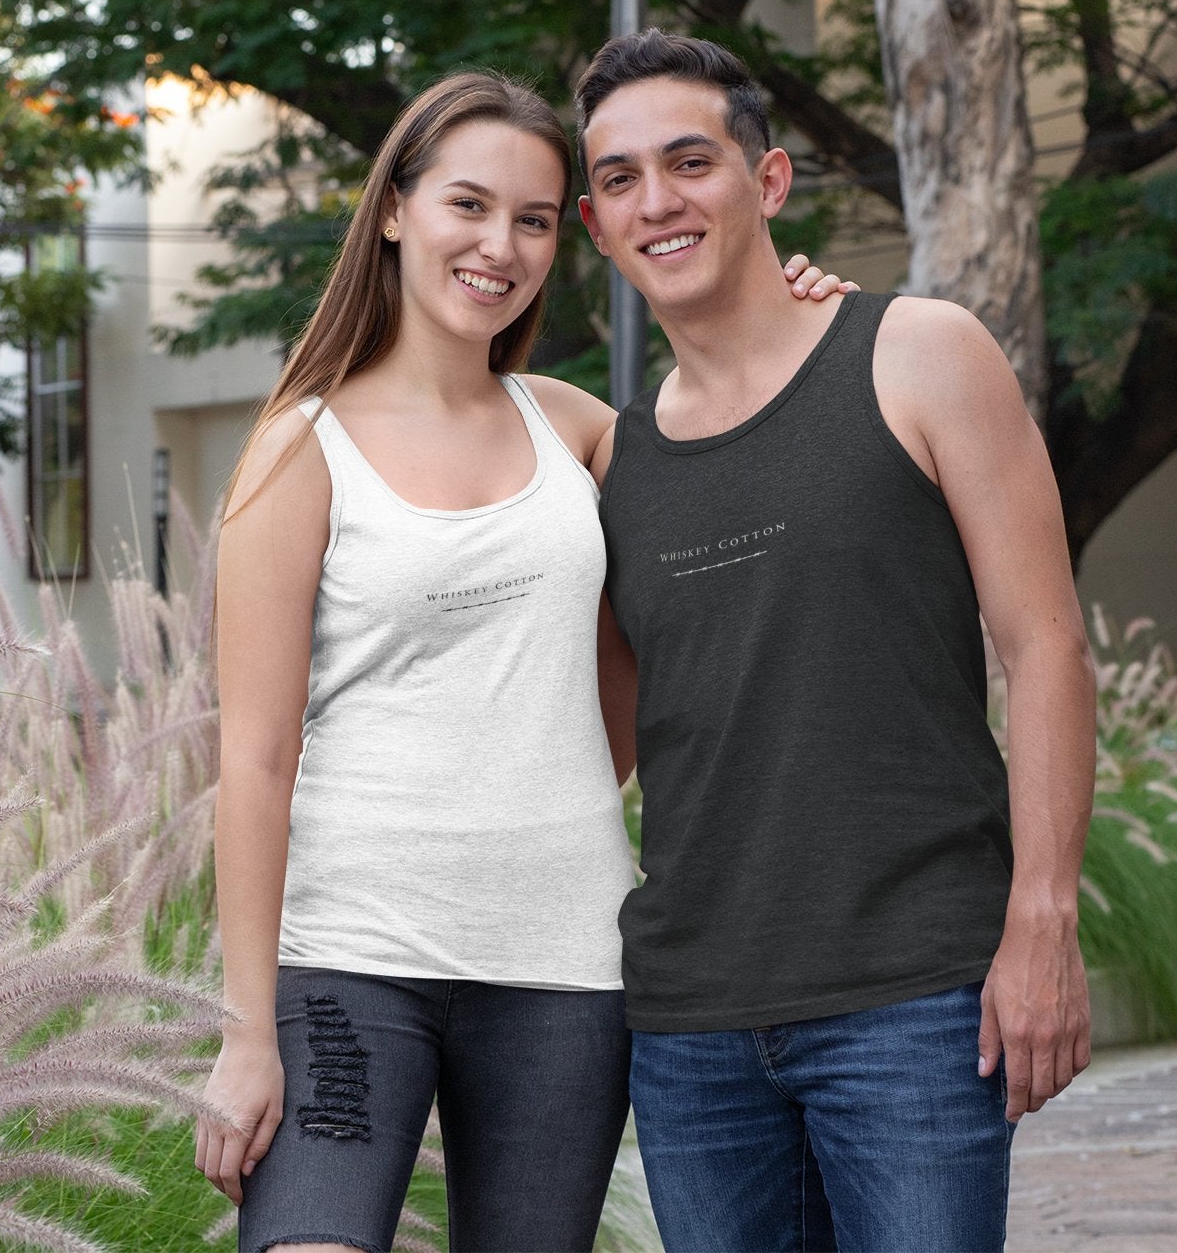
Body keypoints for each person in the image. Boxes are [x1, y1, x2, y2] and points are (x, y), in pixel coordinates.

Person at [194, 70, 849, 1253]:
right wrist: (248, 1028)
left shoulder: (584, 431)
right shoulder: (297, 452)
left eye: (537, 219)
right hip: (352, 959)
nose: (501, 245)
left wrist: (798, 299)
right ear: (394, 209)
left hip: (566, 970)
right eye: (469, 205)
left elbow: (741, 429)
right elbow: (252, 758)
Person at [576, 29, 1097, 1252]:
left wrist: (1044, 917)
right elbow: (594, 756)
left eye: (690, 161)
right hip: (691, 1028)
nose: (657, 200)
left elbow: (1050, 647)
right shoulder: (606, 458)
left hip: (912, 1002)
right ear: (595, 227)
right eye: (617, 179)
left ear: (768, 183)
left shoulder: (918, 354)